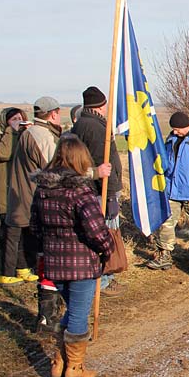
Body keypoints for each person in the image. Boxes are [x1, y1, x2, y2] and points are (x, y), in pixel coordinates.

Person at [30, 136, 115, 377]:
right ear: (81, 159)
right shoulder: (80, 191)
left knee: (72, 312)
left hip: (54, 262)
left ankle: (60, 362)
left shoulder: (43, 189)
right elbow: (96, 231)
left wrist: (50, 246)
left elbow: (34, 227)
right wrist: (107, 249)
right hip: (81, 262)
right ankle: (73, 367)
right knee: (78, 315)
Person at [6, 96, 64, 331]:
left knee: (46, 258)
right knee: (50, 259)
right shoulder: (40, 136)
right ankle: (47, 317)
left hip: (32, 201)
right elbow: (55, 171)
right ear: (53, 113)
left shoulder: (34, 132)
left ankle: (49, 314)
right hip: (41, 203)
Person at [146, 111, 189, 275]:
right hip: (172, 191)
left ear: (186, 126)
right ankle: (164, 256)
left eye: (177, 129)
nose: (174, 132)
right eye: (173, 129)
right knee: (166, 224)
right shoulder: (170, 139)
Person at [71, 86, 124, 297]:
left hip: (88, 189)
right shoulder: (95, 128)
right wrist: (111, 193)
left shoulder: (81, 124)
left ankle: (103, 278)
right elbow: (104, 162)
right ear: (102, 106)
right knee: (104, 234)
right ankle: (103, 279)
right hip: (99, 191)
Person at [0, 107, 33, 285]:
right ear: (6, 122)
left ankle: (22, 268)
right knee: (8, 235)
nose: (18, 121)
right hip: (4, 194)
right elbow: (3, 153)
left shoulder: (25, 138)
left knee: (23, 232)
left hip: (20, 194)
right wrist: (11, 131)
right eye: (14, 119)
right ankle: (3, 273)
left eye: (20, 118)